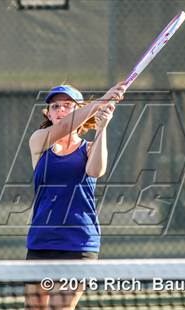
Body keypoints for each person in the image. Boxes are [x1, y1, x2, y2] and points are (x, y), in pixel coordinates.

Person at [25, 82, 126, 309]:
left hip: (78, 243)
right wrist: (105, 97)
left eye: (68, 106)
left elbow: (96, 171)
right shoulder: (39, 141)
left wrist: (102, 128)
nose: (61, 110)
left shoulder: (88, 148)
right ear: (48, 114)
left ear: (78, 109)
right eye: (55, 106)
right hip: (41, 242)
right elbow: (65, 127)